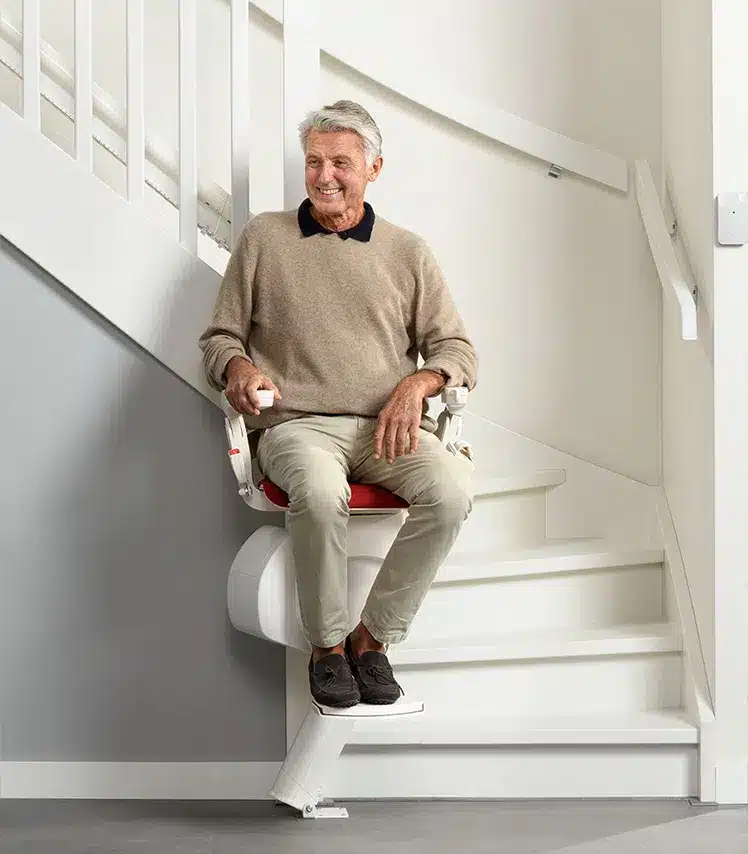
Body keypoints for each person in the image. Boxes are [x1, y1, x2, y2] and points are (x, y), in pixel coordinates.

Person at [199, 100, 477, 708]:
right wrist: (238, 365)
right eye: (314, 162)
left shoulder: (408, 252)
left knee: (453, 493)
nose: (325, 176)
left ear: (374, 168)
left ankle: (371, 640)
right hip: (298, 427)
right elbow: (219, 338)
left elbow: (456, 349)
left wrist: (417, 385)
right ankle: (327, 648)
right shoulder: (264, 238)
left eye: (341, 163)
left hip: (388, 431)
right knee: (322, 496)